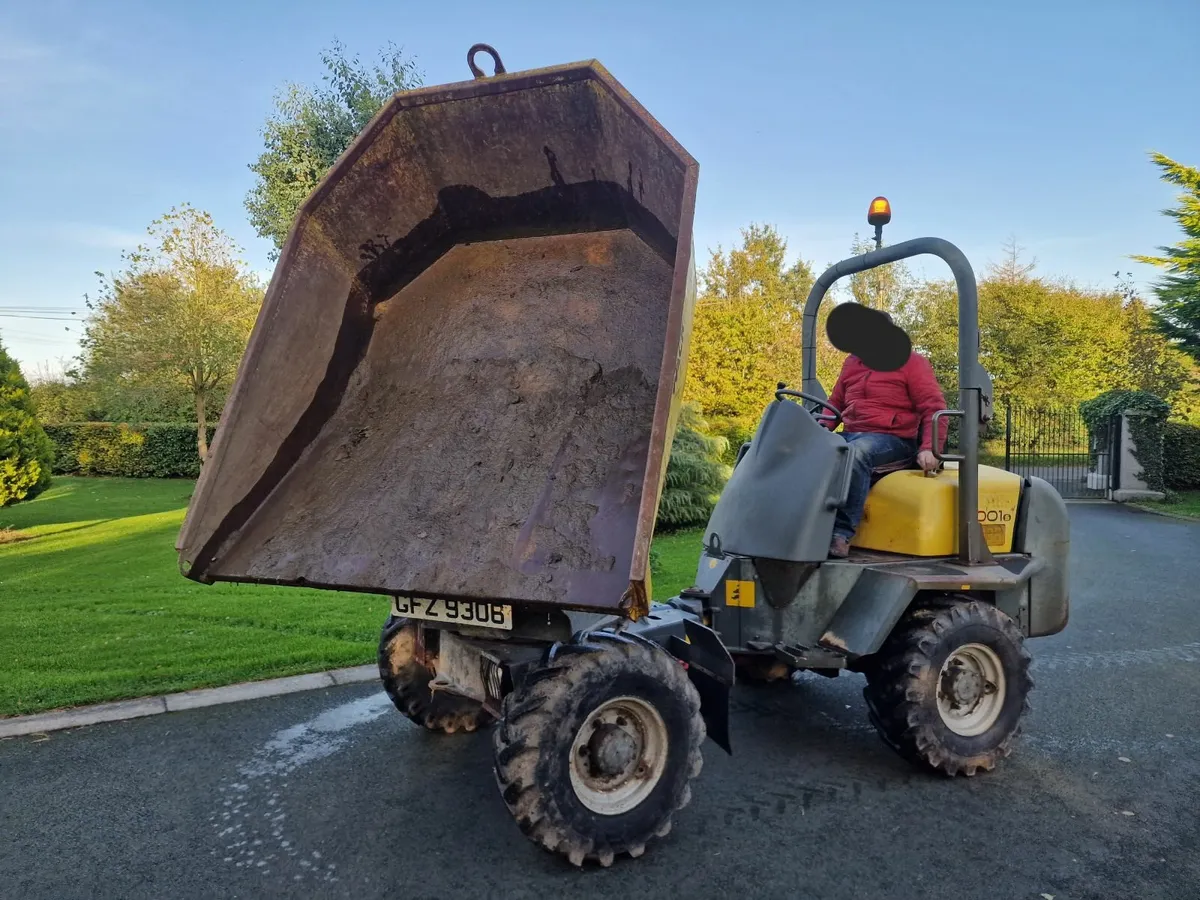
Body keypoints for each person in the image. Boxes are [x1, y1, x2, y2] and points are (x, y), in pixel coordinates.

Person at [822, 344, 948, 559]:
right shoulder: (853, 362)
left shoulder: (912, 363)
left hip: (895, 439)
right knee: (809, 448)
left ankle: (841, 534)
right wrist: (822, 429)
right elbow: (836, 402)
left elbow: (934, 408)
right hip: (854, 432)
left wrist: (930, 448)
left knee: (856, 452)